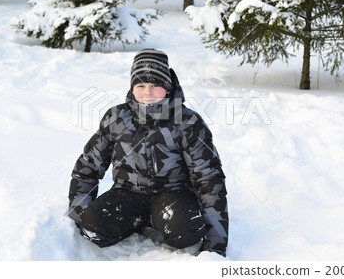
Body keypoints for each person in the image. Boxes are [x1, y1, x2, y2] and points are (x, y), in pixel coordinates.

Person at [68, 48, 228, 256]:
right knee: (92, 227)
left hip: (173, 194)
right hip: (127, 193)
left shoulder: (188, 123)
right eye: (141, 85)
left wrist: (216, 245)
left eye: (155, 85)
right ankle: (135, 220)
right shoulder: (117, 118)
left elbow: (209, 179)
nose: (147, 91)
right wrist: (81, 213)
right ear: (132, 88)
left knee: (187, 234)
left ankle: (160, 218)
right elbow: (89, 165)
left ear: (168, 89)